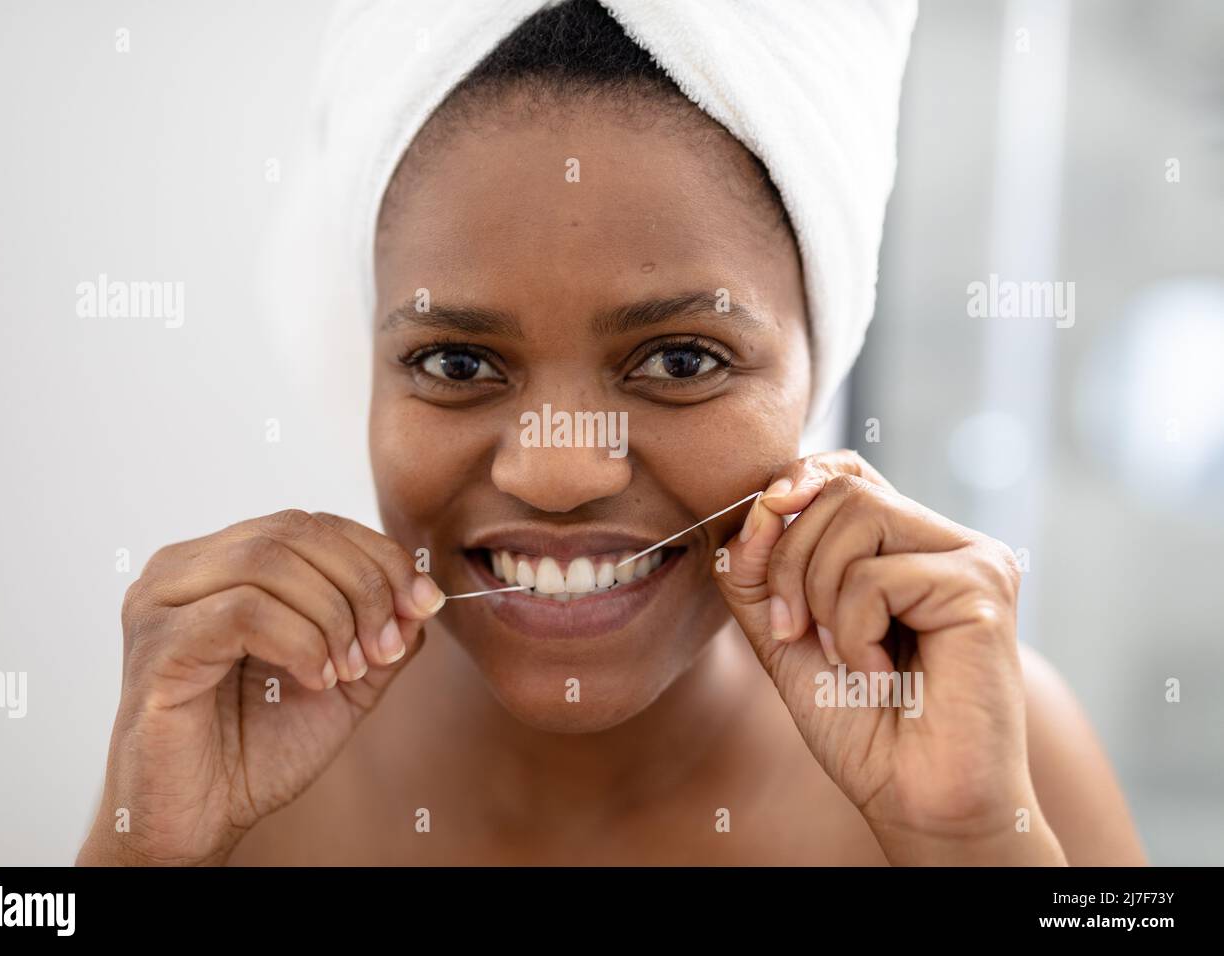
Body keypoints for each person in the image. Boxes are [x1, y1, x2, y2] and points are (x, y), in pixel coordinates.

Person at [77, 0, 1144, 865]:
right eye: (456, 362)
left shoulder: (996, 752)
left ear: (821, 369)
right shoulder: (238, 759)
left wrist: (968, 847)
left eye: (682, 360)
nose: (555, 469)